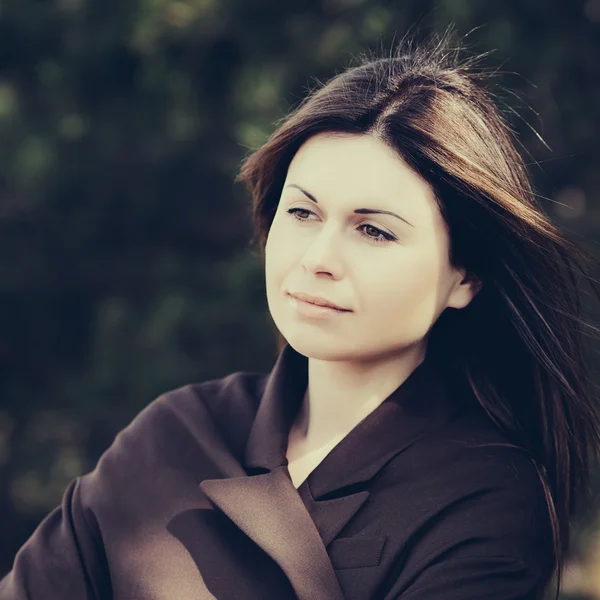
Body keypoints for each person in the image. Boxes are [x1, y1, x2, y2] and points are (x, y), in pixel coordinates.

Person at [2, 31, 600, 600]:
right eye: (304, 214)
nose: (318, 260)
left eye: (373, 231)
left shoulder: (483, 502)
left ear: (464, 276)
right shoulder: (174, 435)